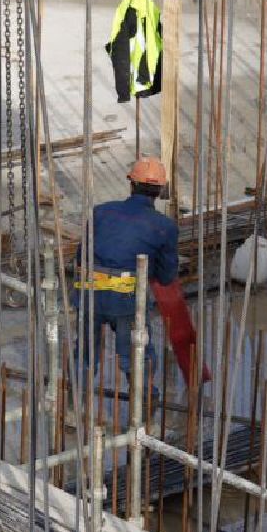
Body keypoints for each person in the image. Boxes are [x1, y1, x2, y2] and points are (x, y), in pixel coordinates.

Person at [72, 157, 179, 385]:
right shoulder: (164, 226)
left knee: (84, 354)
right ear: (159, 191)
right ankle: (142, 409)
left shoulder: (100, 212)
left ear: (131, 184)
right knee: (136, 357)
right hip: (125, 299)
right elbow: (167, 276)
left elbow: (81, 257)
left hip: (87, 293)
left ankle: (73, 403)